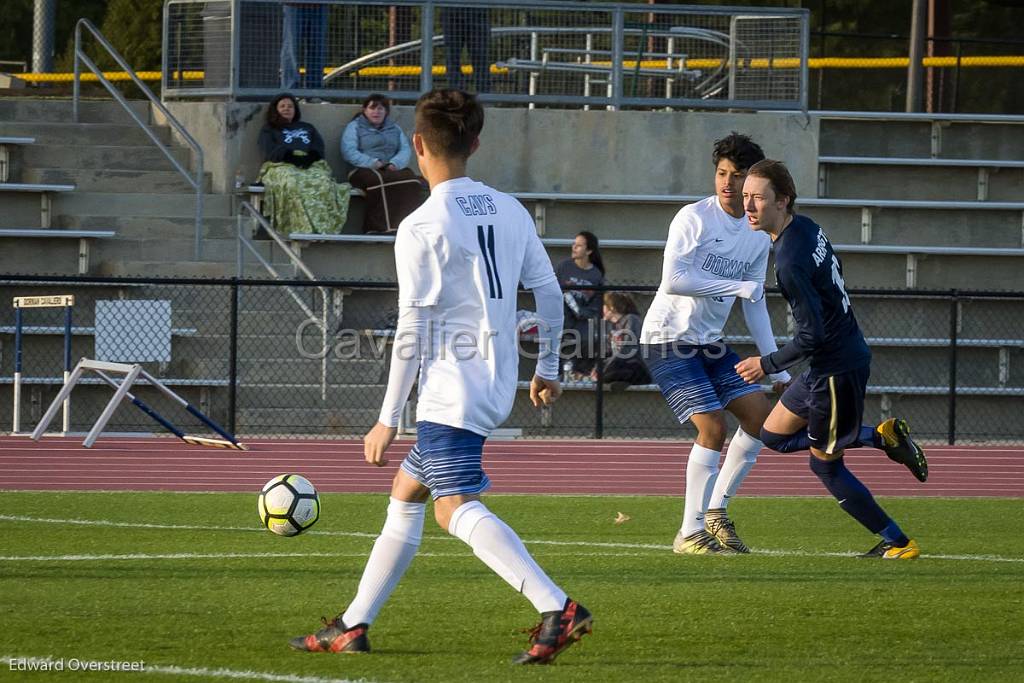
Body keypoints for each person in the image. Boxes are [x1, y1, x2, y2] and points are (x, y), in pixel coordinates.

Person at [290, 89, 592, 663]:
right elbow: (549, 293)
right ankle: (353, 625)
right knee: (406, 493)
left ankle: (557, 607)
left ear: (417, 145)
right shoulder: (509, 208)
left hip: (451, 388)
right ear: (475, 144)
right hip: (496, 381)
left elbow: (413, 328)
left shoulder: (422, 224)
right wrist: (548, 367)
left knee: (451, 507)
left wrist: (385, 420)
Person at [735, 159, 929, 559]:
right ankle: (880, 435)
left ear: (783, 200)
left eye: (757, 198)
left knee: (824, 465)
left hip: (836, 371)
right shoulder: (807, 228)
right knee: (772, 435)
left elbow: (812, 335)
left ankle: (898, 542)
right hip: (828, 364)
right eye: (745, 198)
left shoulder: (788, 259)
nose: (749, 206)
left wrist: (765, 364)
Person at [639, 133, 791, 555]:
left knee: (762, 419)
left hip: (709, 343)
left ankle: (715, 511)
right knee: (713, 427)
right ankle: (688, 533)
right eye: (722, 173)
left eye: (737, 176)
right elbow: (674, 280)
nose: (727, 183)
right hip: (667, 338)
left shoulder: (758, 233)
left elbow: (755, 302)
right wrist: (737, 286)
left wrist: (776, 367)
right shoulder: (693, 218)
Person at [257, 93, 350, 235]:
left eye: (290, 106)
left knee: (323, 183)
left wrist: (309, 158)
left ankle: (322, 229)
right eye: (282, 106)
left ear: (296, 110)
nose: (286, 109)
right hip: (281, 165)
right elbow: (269, 149)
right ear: (275, 109)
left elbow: (318, 147)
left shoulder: (307, 127)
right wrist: (290, 157)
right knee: (292, 182)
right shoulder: (269, 129)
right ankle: (296, 227)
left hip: (309, 164)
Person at [342, 94, 429, 233]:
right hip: (363, 169)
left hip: (391, 168)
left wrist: (395, 163)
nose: (376, 112)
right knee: (381, 181)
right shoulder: (354, 127)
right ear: (364, 110)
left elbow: (405, 149)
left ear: (386, 112)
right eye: (372, 108)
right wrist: (373, 163)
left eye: (381, 109)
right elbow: (349, 151)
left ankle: (408, 229)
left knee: (412, 181)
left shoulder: (395, 128)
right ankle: (379, 227)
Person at [556, 231, 606, 380]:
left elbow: (597, 304)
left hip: (582, 326)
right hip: (562, 321)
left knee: (591, 345)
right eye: (574, 244)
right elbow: (554, 292)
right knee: (555, 354)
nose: (574, 247)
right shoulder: (564, 267)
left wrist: (583, 312)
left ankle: (578, 375)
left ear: (589, 250)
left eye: (579, 245)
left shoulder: (596, 275)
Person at [593, 291, 651, 389]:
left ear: (611, 307)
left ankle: (621, 381)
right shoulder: (611, 326)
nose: (601, 309)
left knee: (608, 375)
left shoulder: (631, 320)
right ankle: (618, 381)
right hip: (618, 365)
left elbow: (627, 350)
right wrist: (597, 368)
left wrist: (606, 368)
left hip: (636, 366)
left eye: (604, 305)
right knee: (601, 376)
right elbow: (607, 351)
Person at [441, 7, 491, 93]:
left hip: (477, 11)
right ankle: (456, 94)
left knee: (480, 57)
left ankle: (484, 95)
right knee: (452, 57)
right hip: (451, 12)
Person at [280, 3, 327, 90]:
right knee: (291, 50)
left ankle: (315, 92)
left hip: (319, 5)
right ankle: (290, 91)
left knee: (317, 50)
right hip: (293, 5)